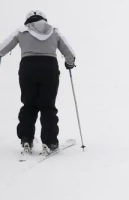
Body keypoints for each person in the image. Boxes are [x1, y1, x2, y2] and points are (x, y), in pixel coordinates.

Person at [1, 10, 77, 154]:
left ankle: (26, 139)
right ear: (44, 19)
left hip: (28, 69)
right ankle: (50, 142)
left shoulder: (21, 31)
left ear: (28, 21)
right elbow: (70, 53)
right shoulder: (54, 31)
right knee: (48, 106)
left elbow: (2, 47)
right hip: (49, 69)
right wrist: (70, 63)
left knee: (28, 104)